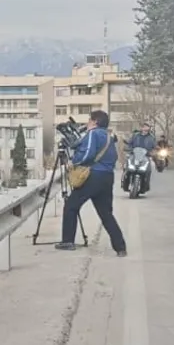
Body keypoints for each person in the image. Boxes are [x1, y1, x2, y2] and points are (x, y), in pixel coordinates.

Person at [55, 109, 127, 257]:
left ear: (95, 122)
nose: (87, 123)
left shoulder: (93, 134)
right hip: (107, 176)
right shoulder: (109, 137)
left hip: (93, 176)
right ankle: (120, 247)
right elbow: (113, 157)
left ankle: (67, 241)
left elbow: (87, 154)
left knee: (71, 206)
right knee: (106, 214)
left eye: (89, 120)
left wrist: (74, 161)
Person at [123, 122, 157, 192]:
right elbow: (129, 143)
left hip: (145, 156)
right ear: (141, 128)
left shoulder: (151, 137)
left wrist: (153, 152)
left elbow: (154, 147)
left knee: (148, 170)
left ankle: (145, 186)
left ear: (149, 128)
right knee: (127, 167)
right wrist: (129, 148)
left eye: (147, 127)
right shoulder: (135, 135)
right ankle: (124, 183)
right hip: (134, 154)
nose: (145, 128)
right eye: (144, 127)